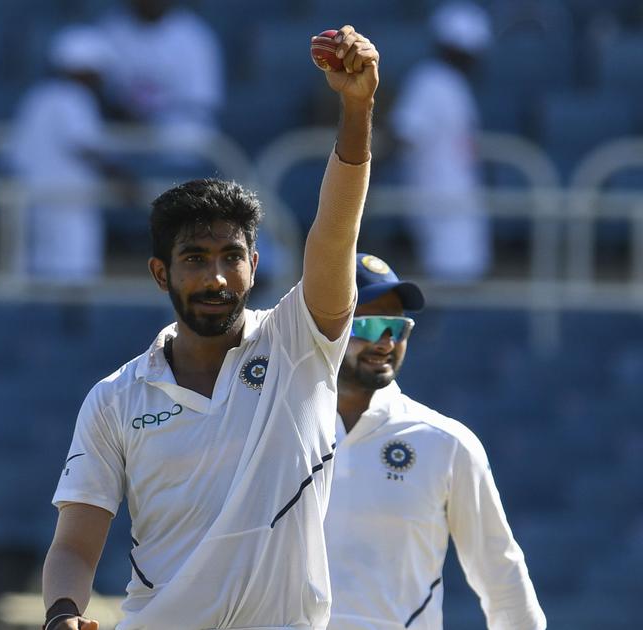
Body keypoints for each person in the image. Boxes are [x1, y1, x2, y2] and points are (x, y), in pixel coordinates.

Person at [42, 26, 380, 630]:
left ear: (254, 265)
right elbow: (73, 545)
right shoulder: (115, 398)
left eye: (231, 257)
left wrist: (356, 109)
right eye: (195, 259)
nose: (216, 278)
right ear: (159, 273)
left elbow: (335, 231)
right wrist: (62, 614)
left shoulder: (300, 344)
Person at [324, 253, 546, 629]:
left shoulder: (446, 443)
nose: (385, 342)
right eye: (369, 325)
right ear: (322, 325)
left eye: (398, 328)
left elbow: (501, 575)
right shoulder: (272, 429)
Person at [391, 2, 491, 283]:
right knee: (446, 287)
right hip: (439, 201)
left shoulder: (453, 84)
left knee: (460, 284)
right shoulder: (430, 81)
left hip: (456, 200)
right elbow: (403, 134)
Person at [6, 25, 115, 283]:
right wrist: (123, 178)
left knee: (37, 272)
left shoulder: (37, 96)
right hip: (67, 203)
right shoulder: (73, 98)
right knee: (72, 276)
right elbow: (85, 147)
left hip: (33, 199)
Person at [98, 0, 224, 154]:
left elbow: (201, 105)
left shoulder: (195, 36)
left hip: (178, 148)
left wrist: (150, 116)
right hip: (123, 143)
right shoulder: (110, 29)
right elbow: (98, 93)